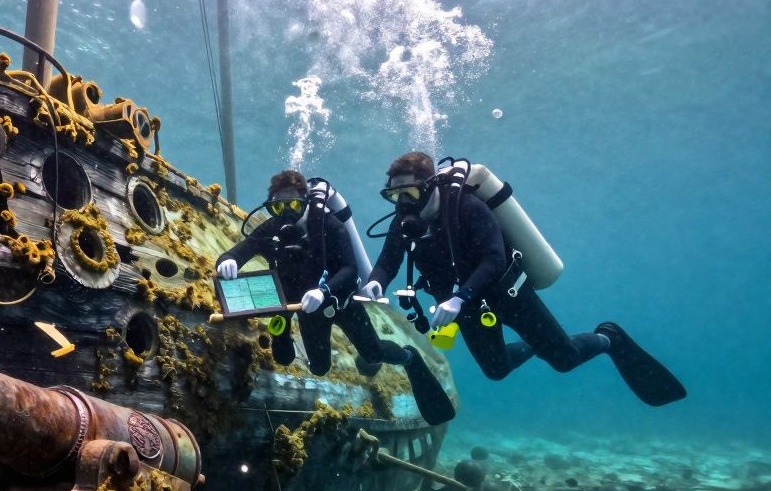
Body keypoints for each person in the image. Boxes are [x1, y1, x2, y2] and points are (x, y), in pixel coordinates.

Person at [361, 152, 685, 406]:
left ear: (430, 185)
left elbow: (494, 258)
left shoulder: (468, 207)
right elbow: (388, 260)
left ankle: (608, 337)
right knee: (496, 369)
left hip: (509, 295)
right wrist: (377, 282)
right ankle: (535, 344)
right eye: (395, 196)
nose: (404, 204)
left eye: (411, 192)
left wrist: (460, 297)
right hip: (467, 309)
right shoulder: (405, 222)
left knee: (565, 359)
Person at [216, 170, 456, 425]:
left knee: (373, 352)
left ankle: (409, 357)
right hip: (305, 309)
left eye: (294, 205)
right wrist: (227, 261)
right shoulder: (271, 229)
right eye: (278, 208)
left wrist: (324, 291)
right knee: (316, 366)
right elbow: (238, 252)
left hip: (341, 302)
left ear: (306, 202)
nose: (286, 214)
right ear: (270, 207)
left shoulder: (327, 225)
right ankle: (285, 334)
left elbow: (350, 269)